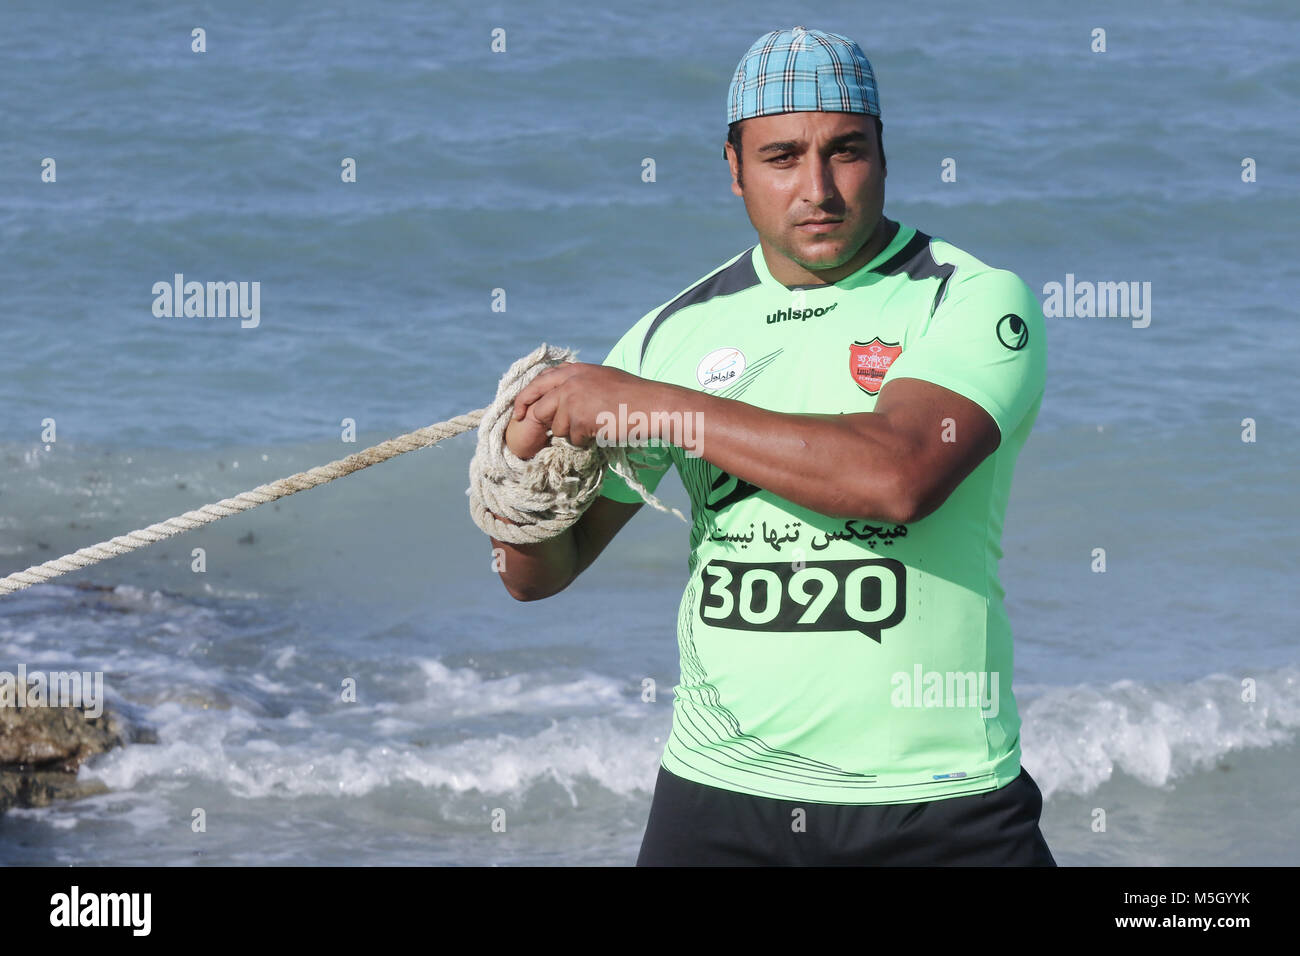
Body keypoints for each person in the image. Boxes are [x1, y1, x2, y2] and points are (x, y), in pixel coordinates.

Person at [486, 26, 1055, 866]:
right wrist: (524, 475)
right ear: (734, 169)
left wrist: (655, 407)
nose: (817, 188)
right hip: (717, 799)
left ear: (884, 155)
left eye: (846, 152)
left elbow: (900, 474)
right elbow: (542, 576)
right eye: (783, 156)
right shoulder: (673, 333)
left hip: (936, 804)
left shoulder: (967, 300)